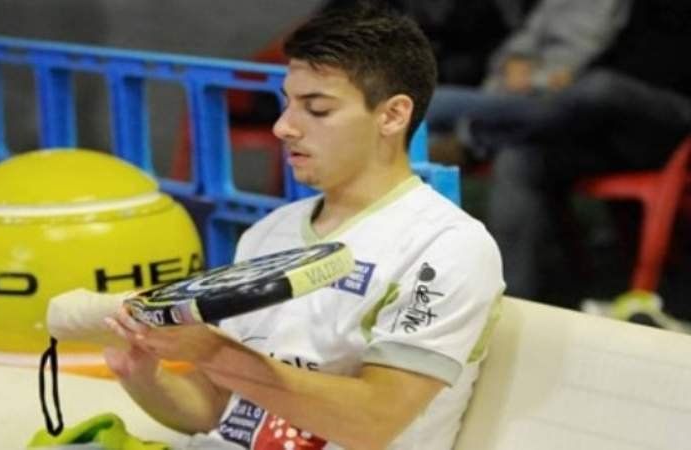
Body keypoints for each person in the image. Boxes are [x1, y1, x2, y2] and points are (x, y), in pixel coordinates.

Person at [103, 3, 505, 450]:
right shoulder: (268, 232)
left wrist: (214, 351)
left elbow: (374, 421)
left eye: (316, 109)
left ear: (392, 115)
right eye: (287, 103)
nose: (283, 127)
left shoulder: (448, 246)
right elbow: (218, 409)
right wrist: (141, 375)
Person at [476, 0, 691, 303]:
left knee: (600, 86)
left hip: (668, 119)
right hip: (602, 127)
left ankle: (484, 125)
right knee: (519, 160)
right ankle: (510, 302)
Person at [424, 0, 632, 165]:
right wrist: (514, 61)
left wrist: (538, 77)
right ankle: (470, 141)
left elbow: (590, 63)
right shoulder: (553, 4)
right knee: (424, 138)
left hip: (554, 96)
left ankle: (470, 142)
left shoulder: (614, 9)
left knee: (431, 103)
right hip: (513, 89)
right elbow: (521, 41)